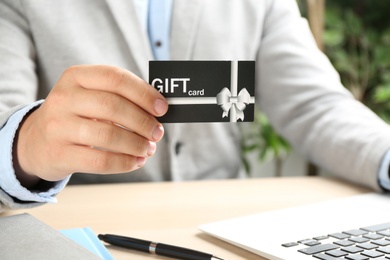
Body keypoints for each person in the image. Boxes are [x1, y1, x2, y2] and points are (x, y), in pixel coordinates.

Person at [1, 0, 390, 212]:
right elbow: (5, 116)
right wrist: (27, 143)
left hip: (226, 225)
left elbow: (315, 104)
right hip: (86, 226)